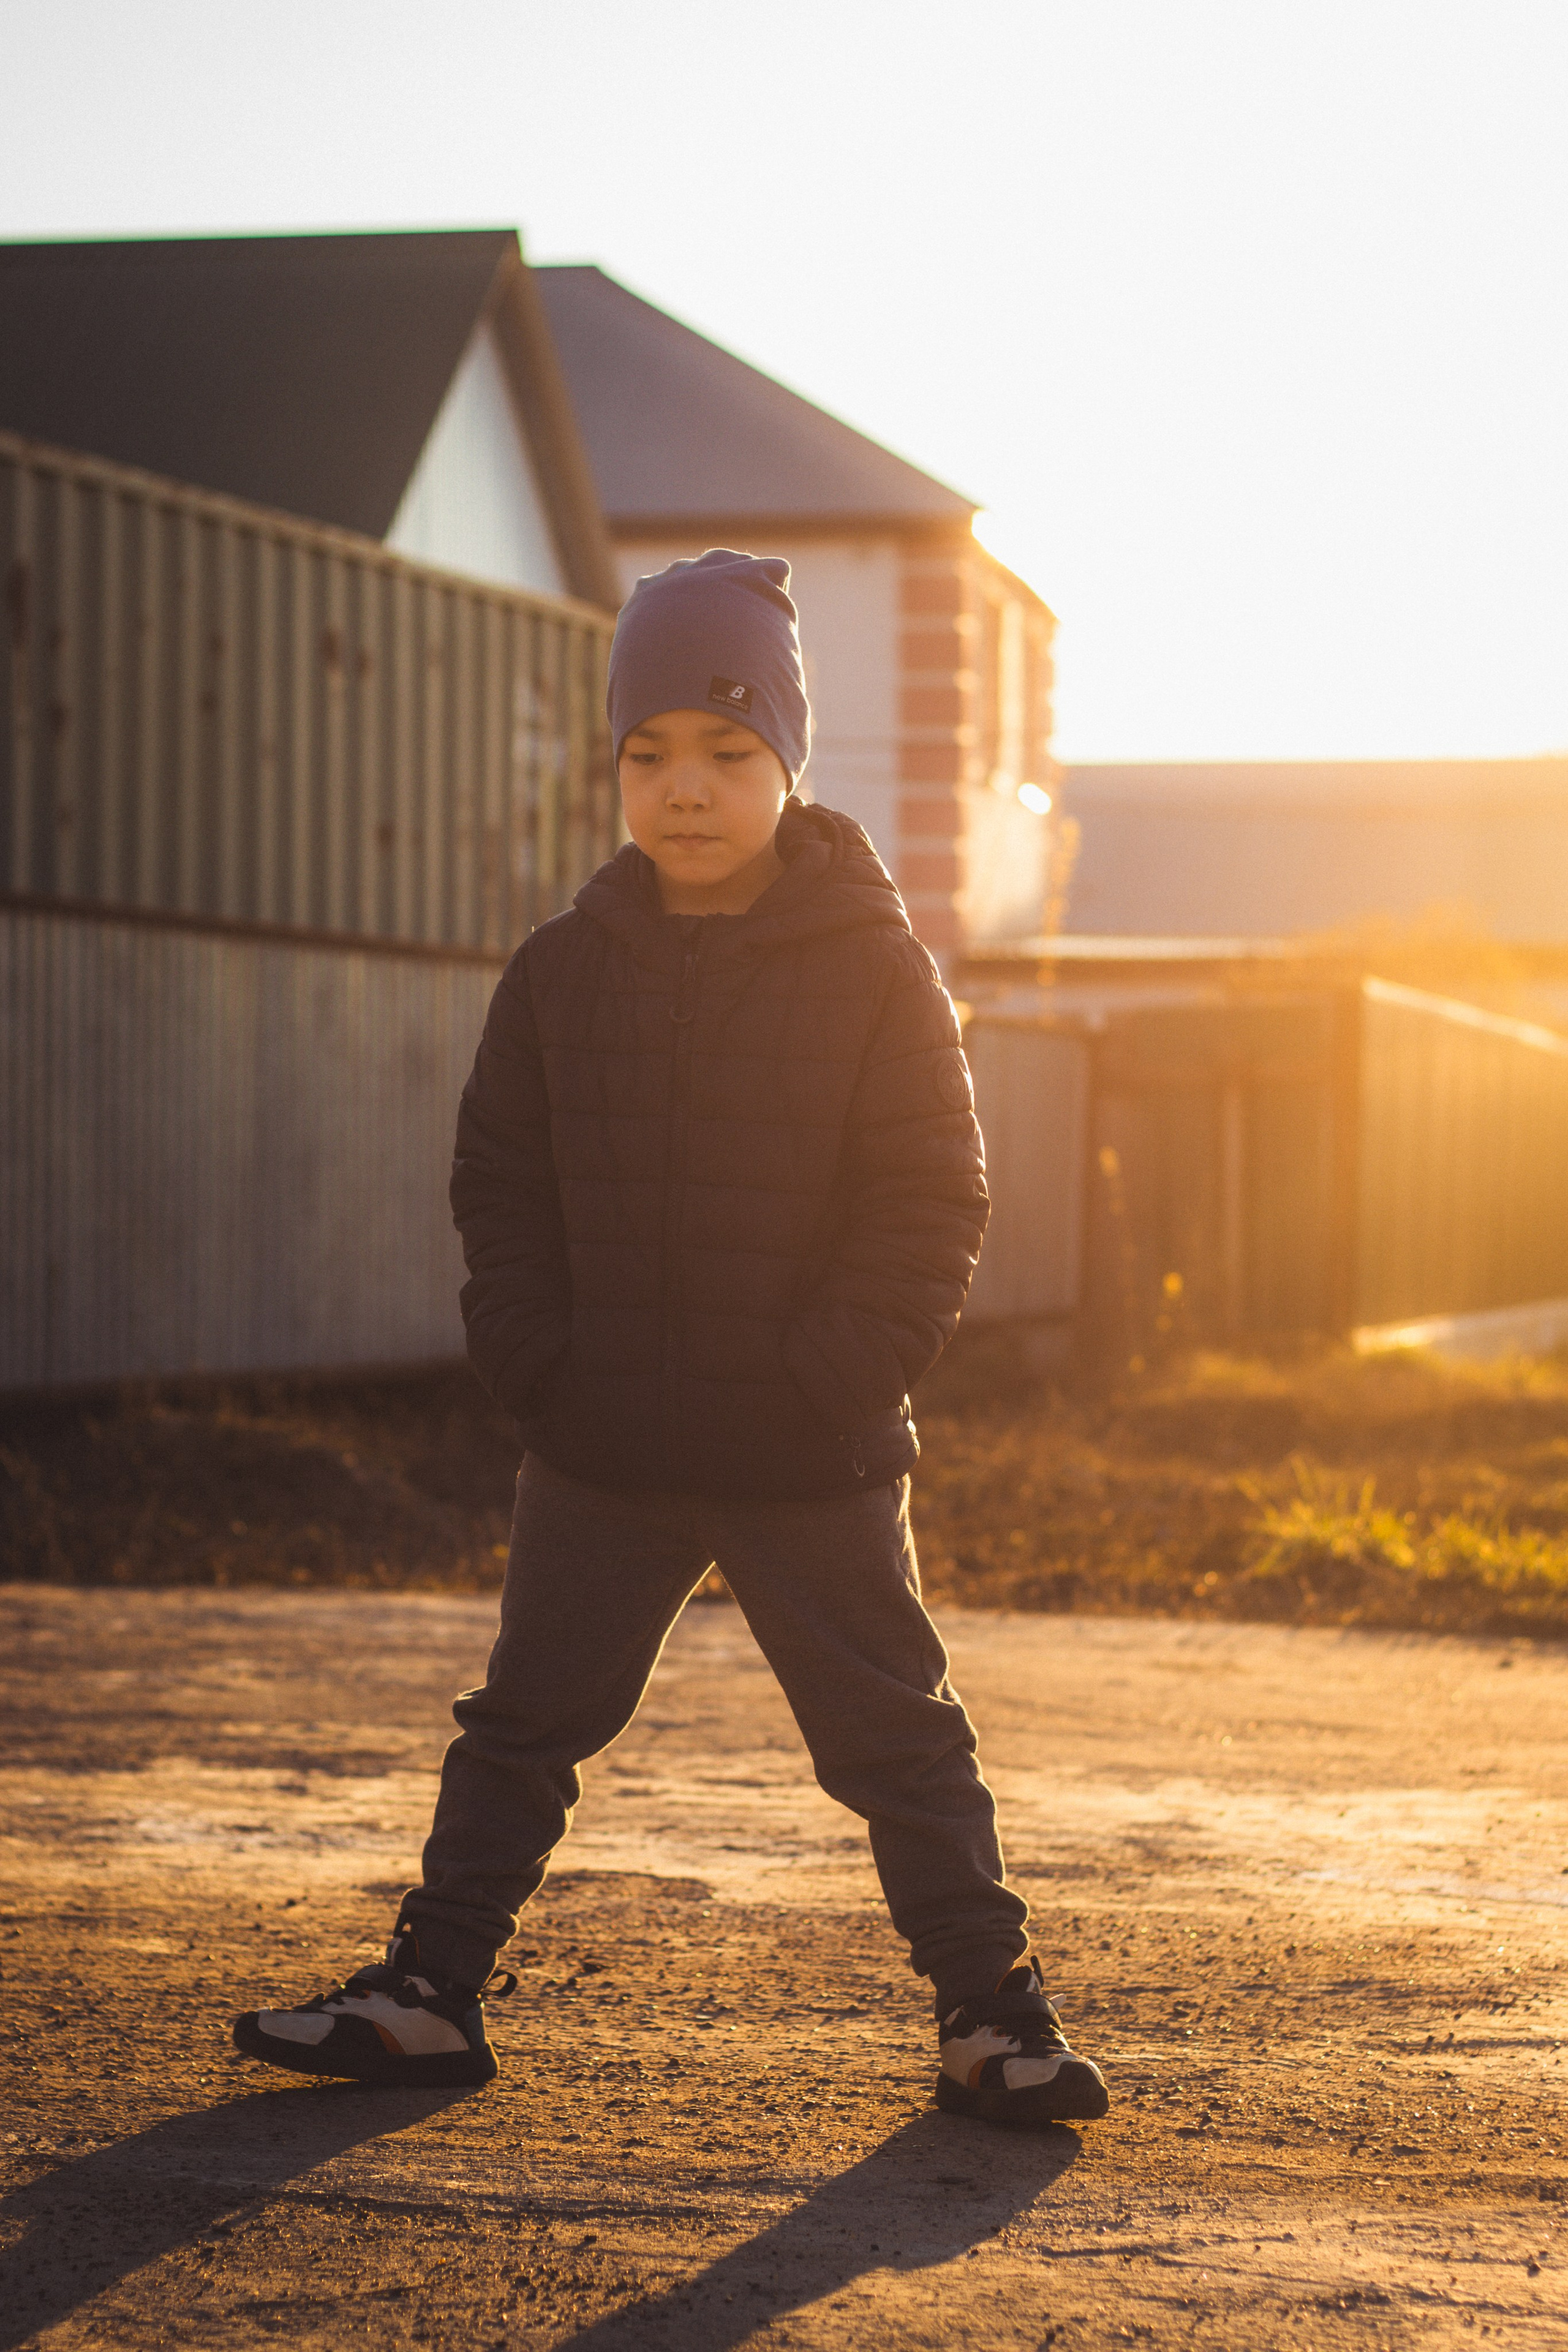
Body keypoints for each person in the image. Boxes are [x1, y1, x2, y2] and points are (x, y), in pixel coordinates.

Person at [232, 551, 1107, 2130]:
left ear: (786, 760)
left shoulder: (876, 968)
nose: (684, 789)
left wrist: (836, 1373)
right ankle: (429, 1994)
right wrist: (541, 1365)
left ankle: (991, 2012)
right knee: (522, 1725)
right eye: (649, 755)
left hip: (805, 1452)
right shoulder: (564, 970)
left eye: (724, 751)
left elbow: (935, 1197)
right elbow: (498, 1183)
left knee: (895, 1737)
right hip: (608, 1444)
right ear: (616, 764)